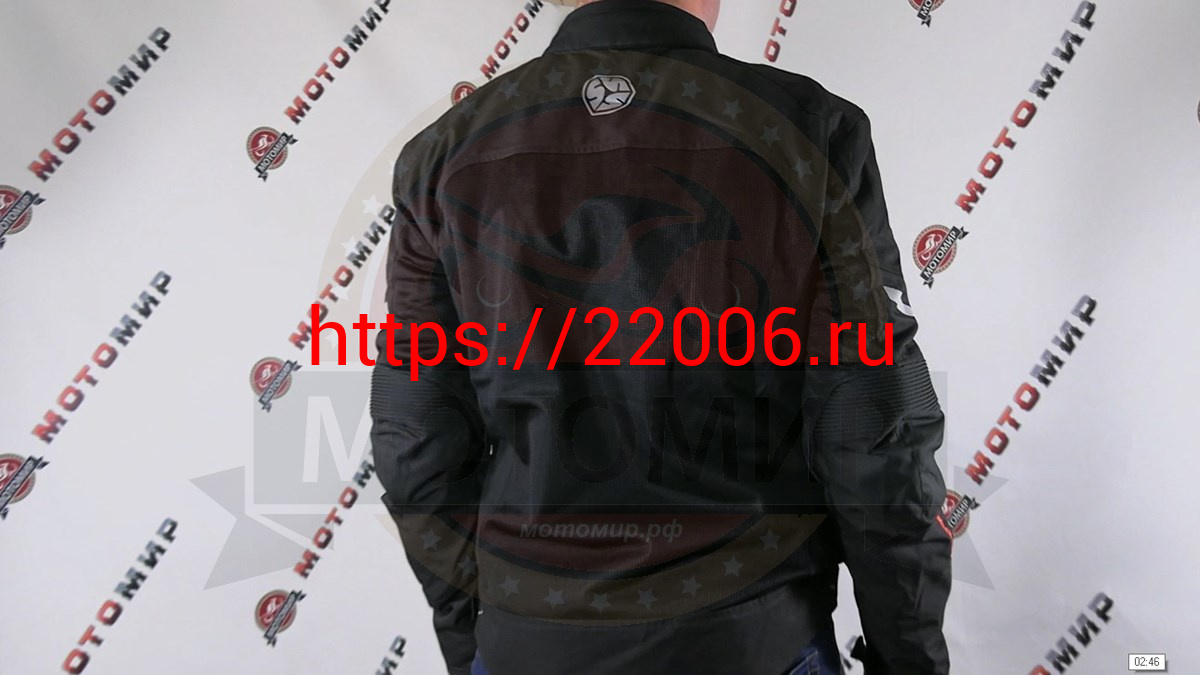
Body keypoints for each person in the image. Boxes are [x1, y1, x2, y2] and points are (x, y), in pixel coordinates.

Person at [368, 0, 953, 673]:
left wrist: (475, 639)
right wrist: (908, 657)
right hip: (752, 640)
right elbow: (877, 434)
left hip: (531, 644)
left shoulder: (441, 157)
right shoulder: (810, 132)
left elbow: (415, 441)